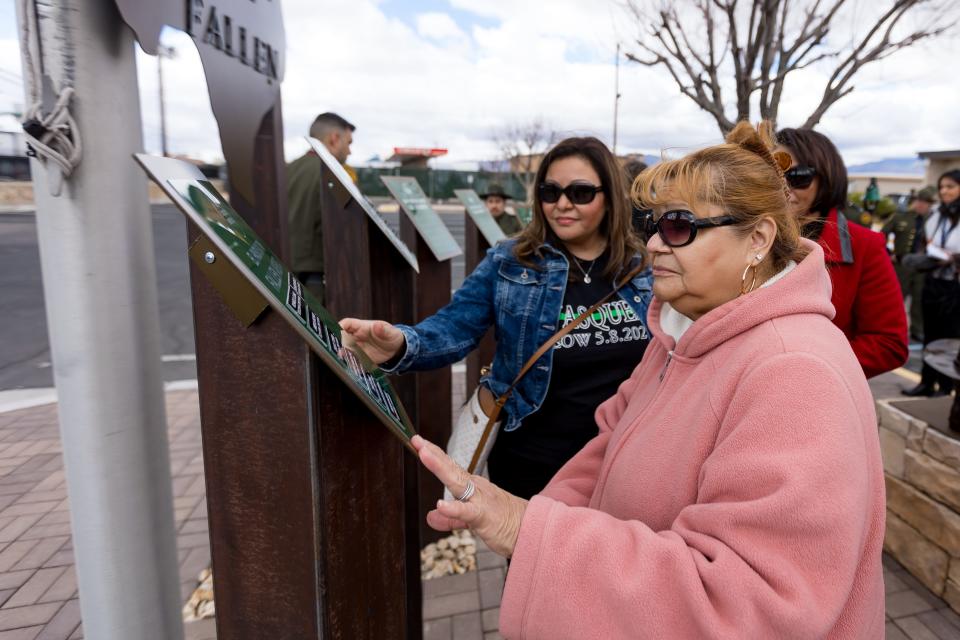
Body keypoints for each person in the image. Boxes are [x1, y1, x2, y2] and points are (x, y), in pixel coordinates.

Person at [411, 122, 885, 638]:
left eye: (679, 226)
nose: (656, 243)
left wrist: (532, 532)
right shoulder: (679, 334)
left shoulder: (792, 372)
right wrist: (528, 515)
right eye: (653, 224)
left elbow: (749, 601)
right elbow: (608, 443)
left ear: (757, 238)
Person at [341, 137, 653, 500]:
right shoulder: (512, 262)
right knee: (531, 558)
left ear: (610, 197)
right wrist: (400, 344)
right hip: (534, 460)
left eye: (580, 192)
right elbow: (455, 326)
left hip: (623, 456)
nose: (562, 204)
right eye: (550, 192)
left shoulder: (643, 267)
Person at [775, 127, 907, 378]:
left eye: (798, 176)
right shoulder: (745, 236)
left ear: (825, 177)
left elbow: (889, 344)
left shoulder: (863, 245)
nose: (783, 187)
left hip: (819, 395)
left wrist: (804, 369)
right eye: (771, 176)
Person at [286, 112, 356, 300]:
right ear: (334, 139)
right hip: (317, 284)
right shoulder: (333, 175)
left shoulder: (288, 169)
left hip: (282, 277)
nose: (349, 151)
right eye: (348, 143)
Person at [904, 169, 960, 397]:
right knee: (930, 333)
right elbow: (927, 243)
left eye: (950, 186)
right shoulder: (937, 215)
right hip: (933, 280)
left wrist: (952, 258)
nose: (944, 191)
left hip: (955, 286)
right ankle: (926, 382)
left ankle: (946, 387)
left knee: (948, 338)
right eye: (942, 187)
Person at [882, 186, 936, 340]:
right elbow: (881, 235)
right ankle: (890, 329)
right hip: (901, 266)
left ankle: (917, 331)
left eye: (926, 202)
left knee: (919, 300)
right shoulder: (901, 216)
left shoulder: (933, 220)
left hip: (923, 267)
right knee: (896, 298)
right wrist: (889, 254)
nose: (921, 205)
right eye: (919, 201)